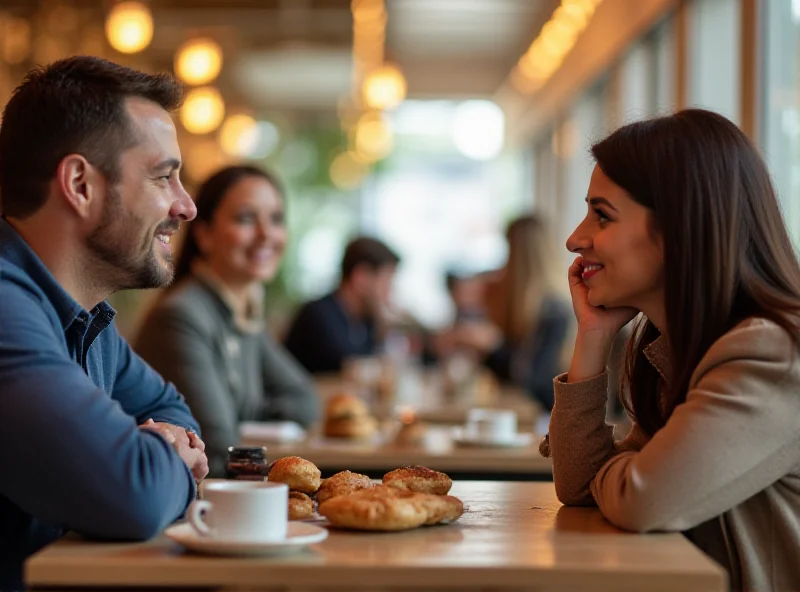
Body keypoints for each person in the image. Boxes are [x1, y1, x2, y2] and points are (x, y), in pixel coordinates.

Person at [543, 109, 800, 591]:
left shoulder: (772, 355)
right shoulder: (689, 351)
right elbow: (580, 487)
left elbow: (645, 500)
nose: (576, 239)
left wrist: (626, 473)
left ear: (680, 228)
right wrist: (593, 337)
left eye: (602, 214)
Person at [0, 56, 209, 589]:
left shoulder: (88, 318)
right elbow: (133, 495)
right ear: (79, 183)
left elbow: (173, 412)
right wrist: (150, 458)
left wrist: (150, 450)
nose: (185, 207)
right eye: (164, 177)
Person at [135, 165, 320, 477]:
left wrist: (247, 419)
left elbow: (306, 400)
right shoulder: (183, 316)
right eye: (246, 219)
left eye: (275, 219)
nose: (266, 234)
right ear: (204, 234)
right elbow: (219, 453)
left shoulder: (241, 313)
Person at [452, 215, 572, 412]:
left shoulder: (554, 311)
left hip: (546, 417)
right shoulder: (525, 305)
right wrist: (487, 351)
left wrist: (493, 345)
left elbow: (532, 380)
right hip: (527, 413)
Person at [284, 236, 400, 374]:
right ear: (361, 278)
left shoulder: (365, 321)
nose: (389, 293)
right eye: (386, 283)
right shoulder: (319, 316)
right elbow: (348, 369)